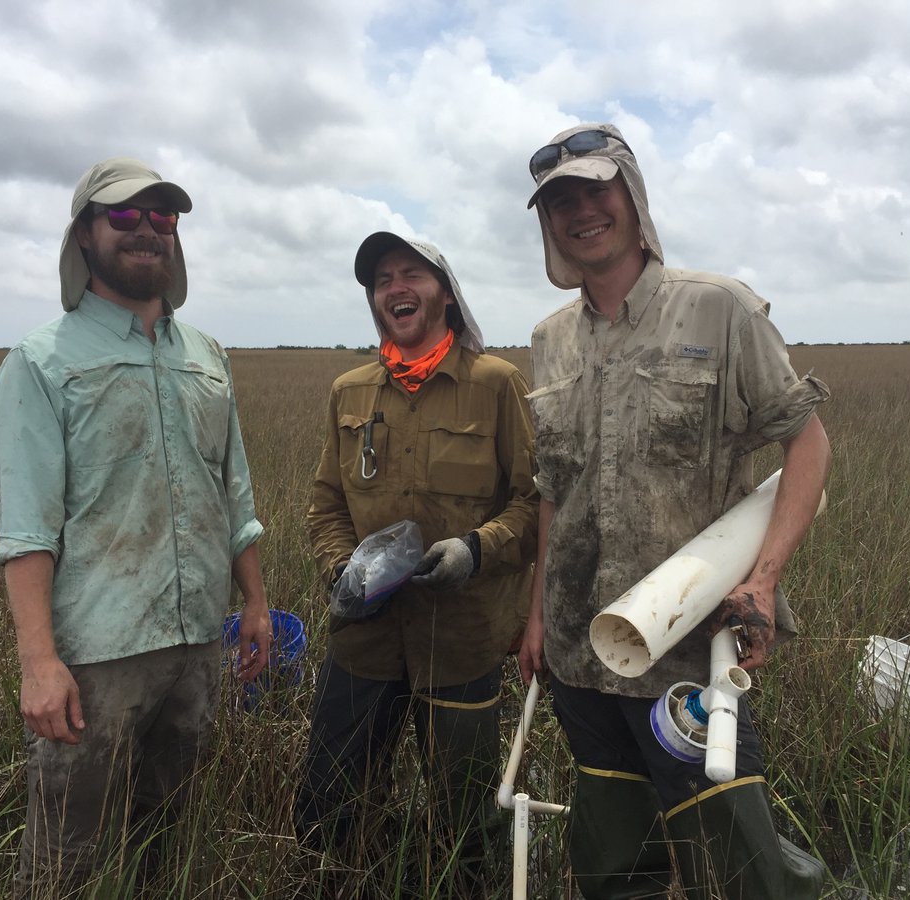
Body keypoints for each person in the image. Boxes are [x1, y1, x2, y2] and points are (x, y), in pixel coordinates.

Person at [518, 123, 832, 899]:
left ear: (632, 197)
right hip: (581, 655)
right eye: (560, 201)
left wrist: (762, 581)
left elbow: (808, 445)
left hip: (687, 657)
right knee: (617, 868)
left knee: (739, 869)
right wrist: (537, 620)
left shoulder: (720, 309)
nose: (580, 212)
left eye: (596, 190)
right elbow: (554, 491)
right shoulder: (549, 341)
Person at [0, 157, 272, 897]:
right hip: (96, 659)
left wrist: (254, 603)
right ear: (85, 234)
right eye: (123, 214)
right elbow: (26, 531)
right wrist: (38, 663)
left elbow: (233, 492)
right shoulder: (40, 362)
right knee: (69, 861)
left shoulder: (206, 356)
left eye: (162, 216)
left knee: (167, 839)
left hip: (198, 643)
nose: (147, 229)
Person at [297, 232, 538, 894]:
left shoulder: (496, 384)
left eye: (411, 274)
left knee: (464, 819)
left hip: (459, 641)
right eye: (382, 280)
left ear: (446, 293)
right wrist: (340, 571)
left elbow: (531, 503)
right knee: (330, 803)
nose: (395, 288)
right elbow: (326, 506)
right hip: (364, 639)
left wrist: (474, 550)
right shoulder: (350, 392)